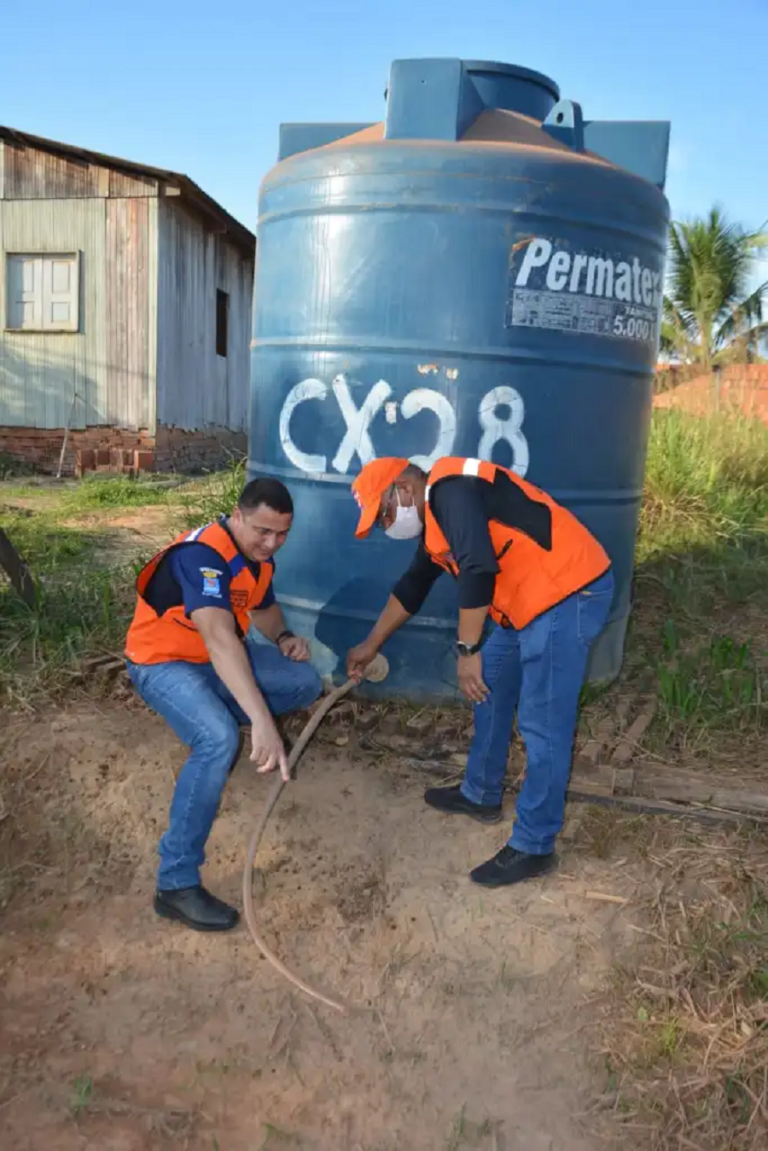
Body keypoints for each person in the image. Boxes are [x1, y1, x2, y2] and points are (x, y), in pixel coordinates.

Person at [346, 456, 614, 889]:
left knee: (542, 723)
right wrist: (371, 643)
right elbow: (413, 585)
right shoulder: (436, 522)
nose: (386, 525)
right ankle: (482, 794)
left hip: (568, 591)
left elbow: (477, 566)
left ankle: (534, 844)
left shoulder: (450, 490)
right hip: (529, 601)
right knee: (486, 684)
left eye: (384, 514)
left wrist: (467, 648)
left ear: (404, 487)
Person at [125, 478, 321, 932]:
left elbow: (264, 609)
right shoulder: (202, 556)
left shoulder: (257, 560)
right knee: (217, 739)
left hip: (211, 663)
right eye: (262, 531)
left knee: (302, 682)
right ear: (237, 515)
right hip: (163, 662)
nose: (271, 544)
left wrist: (285, 637)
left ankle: (214, 706)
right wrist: (262, 721)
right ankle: (175, 884)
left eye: (282, 534)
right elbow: (218, 637)